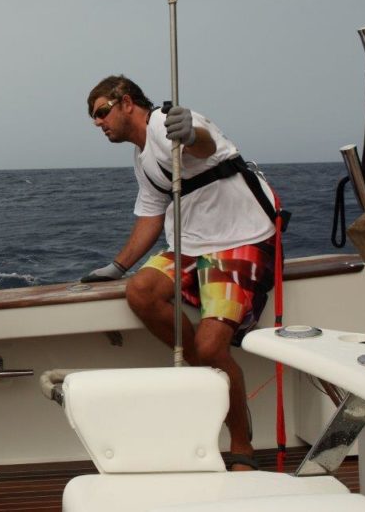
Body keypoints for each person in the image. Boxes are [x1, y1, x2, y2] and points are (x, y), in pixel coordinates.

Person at [81, 74, 280, 472]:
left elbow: (206, 144)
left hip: (237, 239)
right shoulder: (142, 158)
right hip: (189, 245)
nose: (99, 123)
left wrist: (189, 131)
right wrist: (118, 266)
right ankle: (208, 372)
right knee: (140, 291)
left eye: (102, 112)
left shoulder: (165, 124)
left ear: (126, 103)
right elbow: (151, 218)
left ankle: (241, 443)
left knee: (211, 347)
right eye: (94, 118)